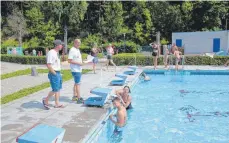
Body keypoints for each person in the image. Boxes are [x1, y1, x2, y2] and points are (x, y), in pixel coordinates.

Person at [42, 39, 64, 110]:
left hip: (58, 72)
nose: (62, 46)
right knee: (55, 89)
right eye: (61, 44)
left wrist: (59, 73)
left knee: (58, 89)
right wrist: (55, 74)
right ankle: (45, 100)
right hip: (54, 73)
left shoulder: (56, 52)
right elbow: (48, 65)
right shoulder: (51, 52)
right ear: (58, 45)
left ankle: (57, 103)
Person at [68, 39, 84, 104]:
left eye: (80, 43)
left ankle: (74, 96)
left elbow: (77, 59)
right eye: (78, 43)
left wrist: (82, 62)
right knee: (78, 84)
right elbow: (69, 60)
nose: (79, 45)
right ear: (74, 43)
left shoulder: (77, 49)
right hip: (75, 70)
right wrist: (78, 63)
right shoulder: (72, 50)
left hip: (78, 69)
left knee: (76, 83)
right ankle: (79, 98)